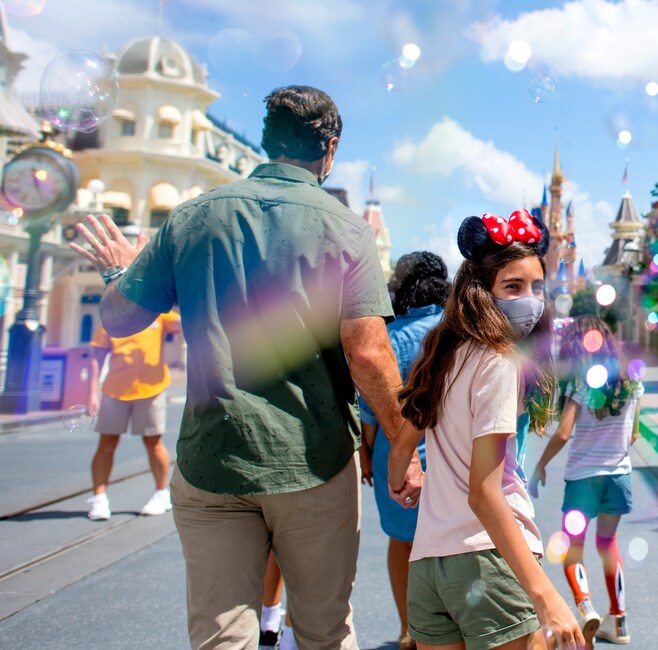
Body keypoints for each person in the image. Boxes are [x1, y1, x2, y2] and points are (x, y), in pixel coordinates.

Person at [70, 85, 422, 650]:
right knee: (324, 630)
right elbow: (367, 352)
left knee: (219, 636)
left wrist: (117, 272)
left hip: (213, 460)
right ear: (329, 150)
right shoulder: (347, 229)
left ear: (265, 142)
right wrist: (403, 447)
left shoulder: (190, 218)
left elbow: (120, 319)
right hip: (311, 462)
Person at [388, 210, 584, 650]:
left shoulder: (441, 356)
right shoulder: (498, 363)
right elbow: (484, 492)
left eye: (537, 287)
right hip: (488, 562)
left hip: (429, 563)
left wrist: (402, 480)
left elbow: (401, 449)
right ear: (482, 293)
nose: (530, 300)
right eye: (512, 286)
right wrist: (544, 593)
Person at [530, 315, 641, 646]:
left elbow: (563, 433)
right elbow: (633, 434)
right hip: (618, 476)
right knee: (608, 543)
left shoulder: (582, 382)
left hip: (582, 479)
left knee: (572, 547)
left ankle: (586, 606)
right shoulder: (633, 381)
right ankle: (619, 621)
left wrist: (541, 465)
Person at [358, 251, 450, 650]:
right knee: (449, 545)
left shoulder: (389, 336)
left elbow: (370, 407)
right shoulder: (453, 332)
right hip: (449, 453)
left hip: (394, 452)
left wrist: (366, 448)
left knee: (402, 541)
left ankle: (408, 629)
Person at [85, 310, 182, 520]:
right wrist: (92, 394)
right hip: (115, 390)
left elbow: (185, 324)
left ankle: (161, 493)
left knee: (153, 442)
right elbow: (97, 358)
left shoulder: (158, 313)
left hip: (152, 389)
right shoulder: (111, 317)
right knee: (107, 443)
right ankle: (99, 498)